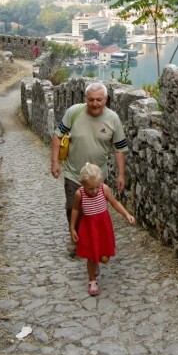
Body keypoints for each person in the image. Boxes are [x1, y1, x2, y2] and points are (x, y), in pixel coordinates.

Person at [50, 81, 128, 254]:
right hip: (74, 173)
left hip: (98, 176)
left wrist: (121, 174)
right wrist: (55, 162)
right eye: (91, 99)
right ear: (86, 98)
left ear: (106, 99)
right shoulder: (74, 112)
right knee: (73, 207)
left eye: (99, 99)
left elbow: (119, 148)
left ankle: (93, 240)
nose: (95, 103)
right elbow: (57, 136)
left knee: (95, 210)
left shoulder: (113, 119)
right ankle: (75, 237)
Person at [70, 163, 135, 296]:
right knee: (91, 257)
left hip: (103, 228)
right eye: (90, 188)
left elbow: (115, 203)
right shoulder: (79, 194)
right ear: (82, 184)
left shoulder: (104, 189)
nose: (94, 191)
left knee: (104, 258)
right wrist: (72, 228)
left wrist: (127, 214)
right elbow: (76, 209)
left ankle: (96, 262)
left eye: (96, 187)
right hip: (89, 228)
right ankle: (92, 281)